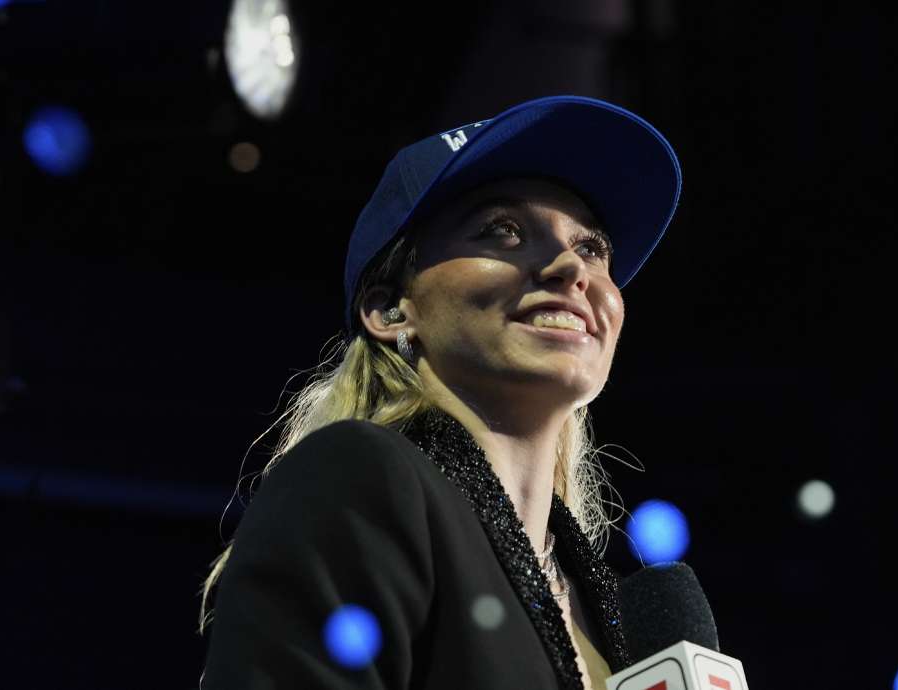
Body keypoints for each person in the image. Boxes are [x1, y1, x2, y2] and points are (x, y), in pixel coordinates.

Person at [198, 95, 681, 689]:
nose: (569, 267)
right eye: (503, 230)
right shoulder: (356, 478)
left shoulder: (608, 610)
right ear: (390, 308)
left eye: (591, 247)